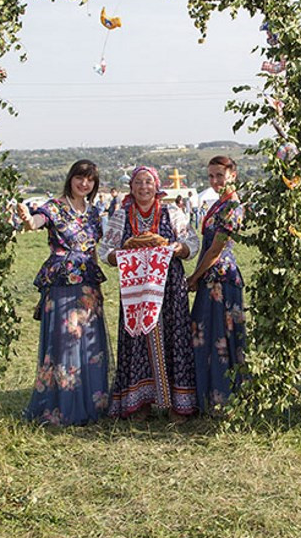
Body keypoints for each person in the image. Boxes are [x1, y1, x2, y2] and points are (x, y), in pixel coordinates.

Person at [99, 166, 200, 422]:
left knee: (173, 337)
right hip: (135, 291)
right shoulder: (122, 216)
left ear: (156, 186)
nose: (144, 187)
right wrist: (122, 255)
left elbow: (192, 242)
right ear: (131, 188)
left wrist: (177, 248)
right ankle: (139, 403)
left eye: (148, 182)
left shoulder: (171, 212)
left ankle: (179, 404)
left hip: (169, 286)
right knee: (137, 341)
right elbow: (105, 249)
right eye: (138, 183)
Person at [15, 160, 111, 427]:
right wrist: (26, 219)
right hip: (61, 283)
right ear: (71, 179)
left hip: (89, 285)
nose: (84, 183)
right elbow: (37, 221)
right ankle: (63, 405)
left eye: (90, 180)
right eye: (80, 178)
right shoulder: (54, 206)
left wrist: (98, 288)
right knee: (65, 342)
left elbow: (92, 250)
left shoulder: (94, 213)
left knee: (89, 345)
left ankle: (92, 402)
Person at [186, 155, 247, 415]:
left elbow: (216, 249)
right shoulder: (218, 203)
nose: (214, 181)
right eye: (210, 176)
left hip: (220, 277)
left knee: (219, 338)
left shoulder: (232, 206)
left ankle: (223, 399)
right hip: (211, 278)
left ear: (232, 174)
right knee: (205, 335)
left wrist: (195, 277)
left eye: (219, 175)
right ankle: (207, 396)